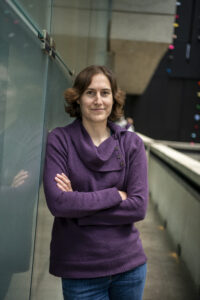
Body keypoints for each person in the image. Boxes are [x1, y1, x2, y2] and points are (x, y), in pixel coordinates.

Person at [43, 65, 148, 300]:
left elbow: (138, 206)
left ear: (114, 98)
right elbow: (59, 204)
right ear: (77, 98)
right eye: (90, 92)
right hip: (80, 270)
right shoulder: (59, 140)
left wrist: (77, 209)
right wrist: (115, 195)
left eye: (105, 92)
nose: (98, 100)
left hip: (129, 268)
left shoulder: (131, 144)